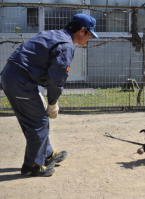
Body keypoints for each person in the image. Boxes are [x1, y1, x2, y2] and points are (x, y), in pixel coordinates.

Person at [0, 13, 98, 177]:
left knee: (34, 120)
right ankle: (32, 165)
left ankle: (46, 155)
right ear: (82, 30)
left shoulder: (52, 34)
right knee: (38, 122)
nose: (90, 38)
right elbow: (56, 79)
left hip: (14, 76)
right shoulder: (67, 45)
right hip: (21, 81)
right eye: (90, 34)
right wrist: (53, 102)